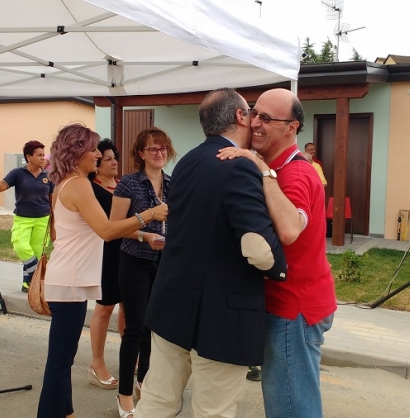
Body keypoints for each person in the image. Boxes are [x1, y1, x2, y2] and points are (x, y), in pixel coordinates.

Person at [136, 88, 287, 418]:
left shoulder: (187, 161)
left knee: (155, 404)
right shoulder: (239, 165)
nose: (256, 121)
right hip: (223, 316)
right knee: (213, 412)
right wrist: (278, 266)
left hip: (172, 302)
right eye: (252, 112)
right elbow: (258, 247)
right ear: (240, 116)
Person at [218, 88, 337, 418]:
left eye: (267, 118)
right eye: (255, 113)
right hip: (292, 306)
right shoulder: (279, 166)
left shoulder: (294, 172)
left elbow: (288, 229)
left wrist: (261, 168)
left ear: (292, 128)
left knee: (291, 409)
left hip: (292, 310)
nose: (256, 122)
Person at [36, 124, 167, 418]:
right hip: (69, 282)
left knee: (63, 359)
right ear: (77, 151)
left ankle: (66, 412)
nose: (98, 154)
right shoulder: (79, 184)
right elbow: (107, 231)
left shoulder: (66, 183)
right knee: (59, 362)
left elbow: (63, 233)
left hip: (67, 280)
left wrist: (141, 235)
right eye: (93, 149)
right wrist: (148, 215)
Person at [111, 127, 176, 417]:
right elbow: (115, 227)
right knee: (135, 328)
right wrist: (145, 235)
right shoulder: (129, 183)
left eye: (163, 148)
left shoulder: (172, 184)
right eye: (153, 149)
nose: (159, 153)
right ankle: (124, 393)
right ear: (141, 153)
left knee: (153, 328)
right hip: (134, 260)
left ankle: (144, 384)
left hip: (163, 263)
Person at [0, 141, 54, 292]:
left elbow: (52, 199)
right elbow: (1, 187)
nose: (43, 158)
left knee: (36, 253)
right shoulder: (17, 173)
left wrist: (54, 222)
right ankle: (39, 276)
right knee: (21, 247)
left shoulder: (48, 176)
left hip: (43, 219)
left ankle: (27, 284)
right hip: (23, 218)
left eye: (43, 155)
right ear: (29, 157)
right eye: (39, 155)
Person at [87, 139, 124, 390]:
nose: (113, 162)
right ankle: (96, 364)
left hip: (129, 252)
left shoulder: (122, 185)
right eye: (107, 159)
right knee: (105, 308)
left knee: (129, 307)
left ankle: (131, 355)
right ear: (97, 164)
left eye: (114, 158)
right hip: (105, 253)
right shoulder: (91, 189)